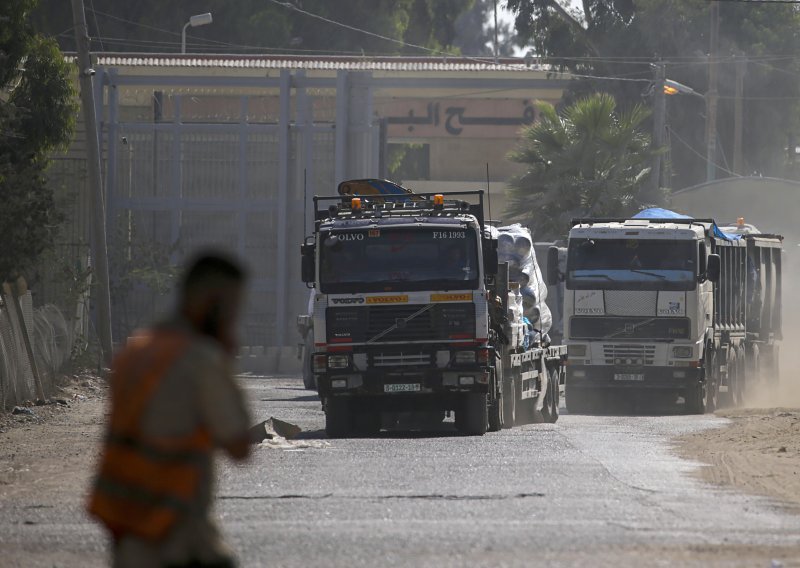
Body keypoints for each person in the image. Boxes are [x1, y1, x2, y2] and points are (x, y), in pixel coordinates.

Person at [88, 251, 252, 568]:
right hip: (176, 535)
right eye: (232, 309)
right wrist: (226, 360)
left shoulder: (135, 351)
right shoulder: (200, 359)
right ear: (213, 304)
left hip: (126, 529)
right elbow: (240, 446)